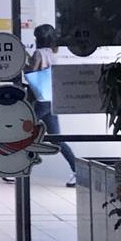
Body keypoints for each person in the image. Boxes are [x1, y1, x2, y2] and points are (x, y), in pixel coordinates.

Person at [25, 23, 78, 187]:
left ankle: (16, 169)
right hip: (51, 100)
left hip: (40, 101)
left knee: (22, 132)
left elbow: (31, 73)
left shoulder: (39, 53)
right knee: (57, 139)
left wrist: (25, 63)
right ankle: (77, 171)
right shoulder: (53, 53)